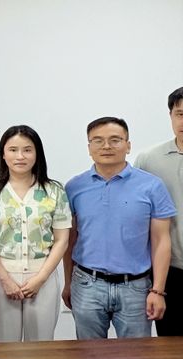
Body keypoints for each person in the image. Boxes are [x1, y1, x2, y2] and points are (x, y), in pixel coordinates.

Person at [63, 117, 175, 339]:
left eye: (115, 140)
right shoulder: (74, 187)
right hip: (86, 285)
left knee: (136, 356)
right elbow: (69, 240)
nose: (106, 146)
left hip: (135, 287)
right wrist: (68, 283)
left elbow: (161, 240)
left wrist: (158, 290)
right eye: (98, 140)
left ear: (128, 145)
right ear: (89, 147)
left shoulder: (152, 186)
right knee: (89, 355)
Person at [0, 125, 71, 342]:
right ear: (3, 154)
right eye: (13, 150)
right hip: (2, 276)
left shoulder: (54, 191)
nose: (20, 156)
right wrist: (5, 279)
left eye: (27, 150)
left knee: (41, 345)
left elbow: (62, 240)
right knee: (5, 344)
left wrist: (40, 279)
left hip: (43, 275)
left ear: (37, 154)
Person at [135, 87, 183, 336]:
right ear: (171, 116)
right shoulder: (149, 160)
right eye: (180, 114)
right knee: (170, 345)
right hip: (168, 270)